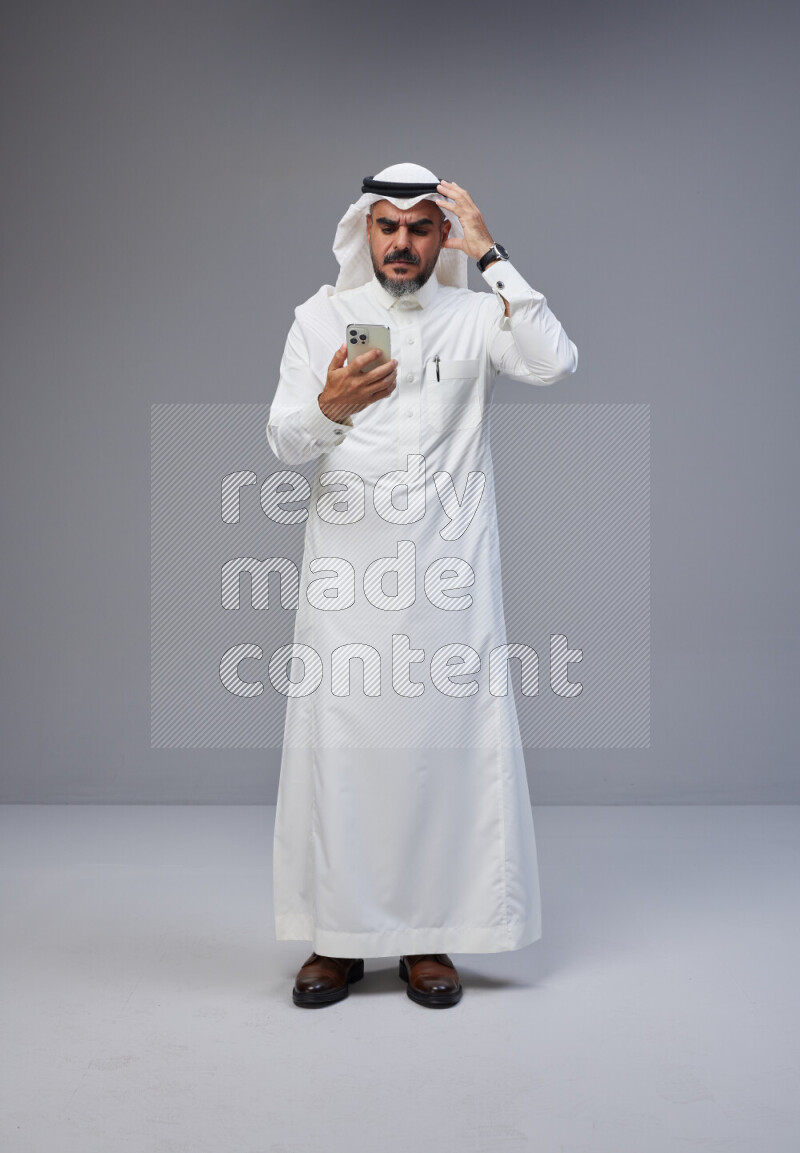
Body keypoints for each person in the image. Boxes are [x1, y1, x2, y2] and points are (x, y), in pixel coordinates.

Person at [266, 162, 578, 1009]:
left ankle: (428, 936)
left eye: (420, 226)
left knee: (440, 754)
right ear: (365, 230)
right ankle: (337, 940)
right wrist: (330, 406)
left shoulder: (478, 316)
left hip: (449, 579)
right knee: (345, 754)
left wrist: (493, 256)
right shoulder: (319, 318)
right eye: (387, 225)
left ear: (443, 236)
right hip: (347, 580)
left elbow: (555, 361)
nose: (401, 242)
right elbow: (284, 441)